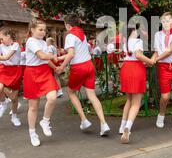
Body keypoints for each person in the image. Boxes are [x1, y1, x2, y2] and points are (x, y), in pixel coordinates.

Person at [56, 14, 110, 136]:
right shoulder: (82, 35)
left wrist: (61, 67)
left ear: (68, 25)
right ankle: (103, 123)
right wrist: (58, 57)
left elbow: (71, 55)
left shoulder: (70, 36)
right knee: (92, 95)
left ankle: (84, 120)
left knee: (71, 92)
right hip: (89, 66)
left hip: (78, 67)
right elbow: (75, 53)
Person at [23, 19, 59, 147]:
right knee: (33, 107)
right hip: (32, 73)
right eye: (40, 29)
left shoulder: (43, 42)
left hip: (44, 72)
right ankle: (32, 133)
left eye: (44, 30)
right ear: (32, 30)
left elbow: (45, 59)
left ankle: (45, 121)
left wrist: (55, 67)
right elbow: (42, 56)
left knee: (53, 97)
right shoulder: (31, 41)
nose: (43, 32)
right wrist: (53, 56)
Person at [119, 26, 155, 143]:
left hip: (126, 69)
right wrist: (150, 61)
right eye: (135, 31)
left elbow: (132, 56)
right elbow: (138, 55)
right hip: (136, 70)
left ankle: (122, 125)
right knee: (136, 103)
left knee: (128, 100)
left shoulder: (126, 43)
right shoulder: (137, 41)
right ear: (132, 32)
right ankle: (127, 128)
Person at [0, 29, 23, 126]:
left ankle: (14, 116)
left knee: (14, 98)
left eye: (2, 38)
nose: (1, 40)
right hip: (3, 69)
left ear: (8, 36)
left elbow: (6, 57)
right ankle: (3, 102)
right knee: (0, 87)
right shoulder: (1, 46)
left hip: (15, 71)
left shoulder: (15, 45)